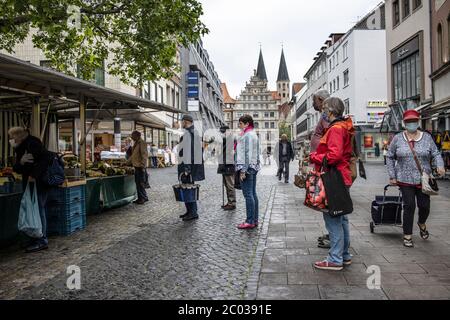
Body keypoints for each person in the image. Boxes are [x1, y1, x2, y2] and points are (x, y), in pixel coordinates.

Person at [386, 110, 445, 248]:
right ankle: (407, 235)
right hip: (404, 179)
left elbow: (436, 153)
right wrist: (392, 175)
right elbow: (389, 156)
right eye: (408, 122)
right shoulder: (398, 138)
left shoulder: (427, 138)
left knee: (424, 206)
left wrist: (440, 165)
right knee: (409, 206)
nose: (411, 124)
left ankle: (421, 223)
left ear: (418, 122)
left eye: (413, 121)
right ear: (404, 123)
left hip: (423, 179)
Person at [309, 97, 355, 271]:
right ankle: (344, 255)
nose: (323, 113)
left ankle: (335, 258)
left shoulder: (335, 129)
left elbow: (333, 156)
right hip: (342, 176)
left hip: (333, 177)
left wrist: (314, 156)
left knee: (333, 218)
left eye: (324, 110)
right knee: (342, 217)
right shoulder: (344, 126)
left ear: (330, 111)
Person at [9, 127, 53, 253]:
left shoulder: (32, 143)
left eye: (13, 137)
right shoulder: (23, 146)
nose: (11, 140)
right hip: (31, 183)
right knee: (33, 211)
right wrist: (21, 162)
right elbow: (18, 167)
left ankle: (42, 240)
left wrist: (34, 175)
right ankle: (35, 237)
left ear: (20, 135)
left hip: (38, 183)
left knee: (38, 210)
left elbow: (45, 159)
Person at [308, 89, 331, 249]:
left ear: (322, 100)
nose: (312, 104)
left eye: (314, 100)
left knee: (328, 205)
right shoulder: (325, 116)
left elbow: (330, 140)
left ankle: (334, 238)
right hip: (322, 164)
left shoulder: (326, 116)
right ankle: (333, 236)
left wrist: (315, 157)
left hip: (324, 167)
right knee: (328, 206)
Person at [178, 114, 205, 221]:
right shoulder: (192, 133)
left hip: (188, 168)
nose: (181, 123)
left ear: (186, 121)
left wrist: (187, 169)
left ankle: (193, 212)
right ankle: (190, 211)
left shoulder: (190, 133)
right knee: (187, 189)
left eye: (182, 121)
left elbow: (189, 152)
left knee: (188, 189)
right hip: (190, 166)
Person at [236, 115, 260, 229]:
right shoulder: (252, 134)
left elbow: (247, 154)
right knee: (252, 194)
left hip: (247, 167)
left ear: (247, 124)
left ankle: (250, 220)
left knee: (248, 195)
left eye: (241, 123)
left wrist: (243, 170)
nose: (239, 125)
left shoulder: (248, 135)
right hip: (253, 167)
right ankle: (254, 220)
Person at [217, 125, 236, 211]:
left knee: (230, 185)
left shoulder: (230, 139)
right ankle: (229, 202)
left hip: (229, 165)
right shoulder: (226, 139)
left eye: (222, 132)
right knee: (227, 185)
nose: (221, 134)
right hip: (225, 165)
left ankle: (232, 203)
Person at [127, 131, 149, 205]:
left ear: (137, 136)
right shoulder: (136, 143)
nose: (131, 137)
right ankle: (141, 198)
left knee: (141, 183)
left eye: (132, 136)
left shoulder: (142, 143)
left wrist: (143, 165)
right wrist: (127, 162)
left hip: (140, 167)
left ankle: (143, 198)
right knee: (138, 183)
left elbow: (144, 155)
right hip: (137, 166)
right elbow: (133, 156)